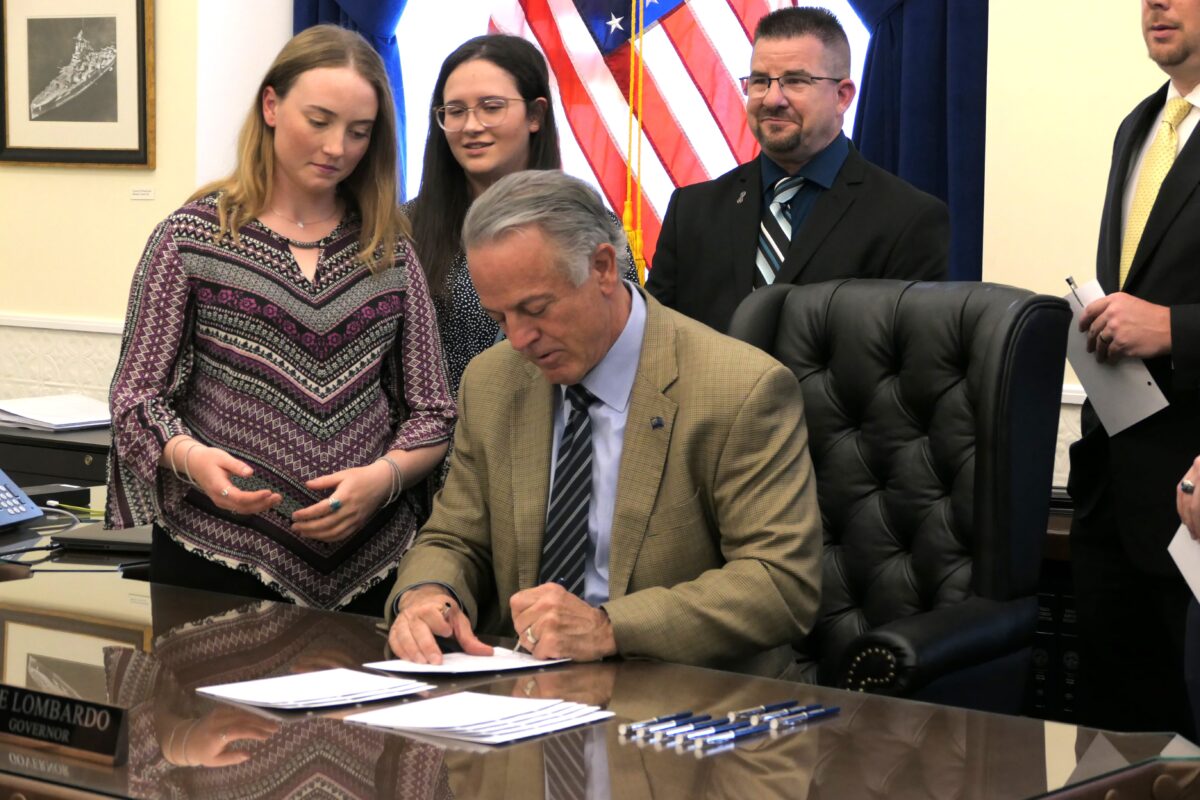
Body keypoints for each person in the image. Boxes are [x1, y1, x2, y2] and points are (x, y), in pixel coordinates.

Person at [386, 170, 821, 678]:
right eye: (500, 318)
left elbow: (780, 582)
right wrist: (427, 595)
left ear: (603, 268)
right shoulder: (492, 381)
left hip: (680, 698)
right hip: (520, 692)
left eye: (535, 309)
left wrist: (608, 627)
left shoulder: (739, 390)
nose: (520, 339)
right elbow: (454, 537)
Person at [106, 25, 455, 613]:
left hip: (369, 564)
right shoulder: (191, 237)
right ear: (271, 105)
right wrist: (191, 459)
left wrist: (383, 481)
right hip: (214, 557)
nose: (337, 147)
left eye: (359, 132)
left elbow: (434, 412)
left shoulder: (390, 250)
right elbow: (136, 398)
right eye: (318, 121)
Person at [645, 6, 948, 333]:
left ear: (842, 96)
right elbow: (655, 345)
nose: (772, 99)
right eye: (760, 81)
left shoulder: (907, 220)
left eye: (795, 81)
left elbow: (907, 366)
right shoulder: (692, 210)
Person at [1068, 0, 1200, 736]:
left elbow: (1165, 315)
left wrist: (1175, 328)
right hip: (1113, 488)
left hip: (1193, 498)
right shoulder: (1139, 125)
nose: (1156, 3)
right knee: (1115, 745)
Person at [407, 34, 638, 397]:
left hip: (564, 434)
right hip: (436, 446)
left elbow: (621, 345)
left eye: (491, 106)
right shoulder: (405, 228)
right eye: (455, 111)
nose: (470, 125)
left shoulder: (585, 220)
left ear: (535, 115)